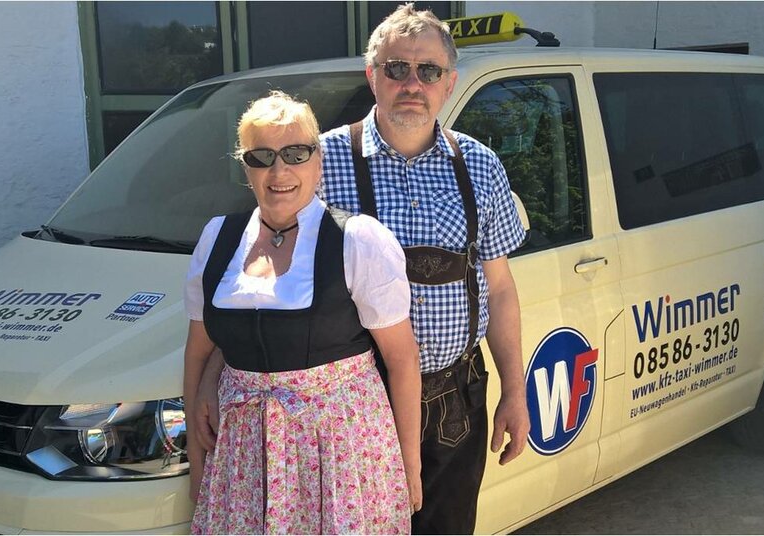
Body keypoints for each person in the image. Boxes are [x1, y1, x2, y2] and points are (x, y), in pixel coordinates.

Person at [191, 4, 530, 533]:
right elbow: (263, 280)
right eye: (396, 68)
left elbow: (500, 288)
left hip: (455, 401)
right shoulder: (314, 160)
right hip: (354, 412)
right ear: (372, 76)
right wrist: (220, 371)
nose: (412, 83)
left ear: (449, 82)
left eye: (428, 70)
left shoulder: (480, 166)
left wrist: (514, 389)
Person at [183, 91, 422, 534]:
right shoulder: (218, 239)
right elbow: (198, 353)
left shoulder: (359, 240)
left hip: (340, 454)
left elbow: (402, 358)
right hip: (243, 459)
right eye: (262, 157)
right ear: (246, 168)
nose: (280, 172)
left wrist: (409, 464)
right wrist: (197, 461)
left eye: (296, 154)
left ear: (318, 160)